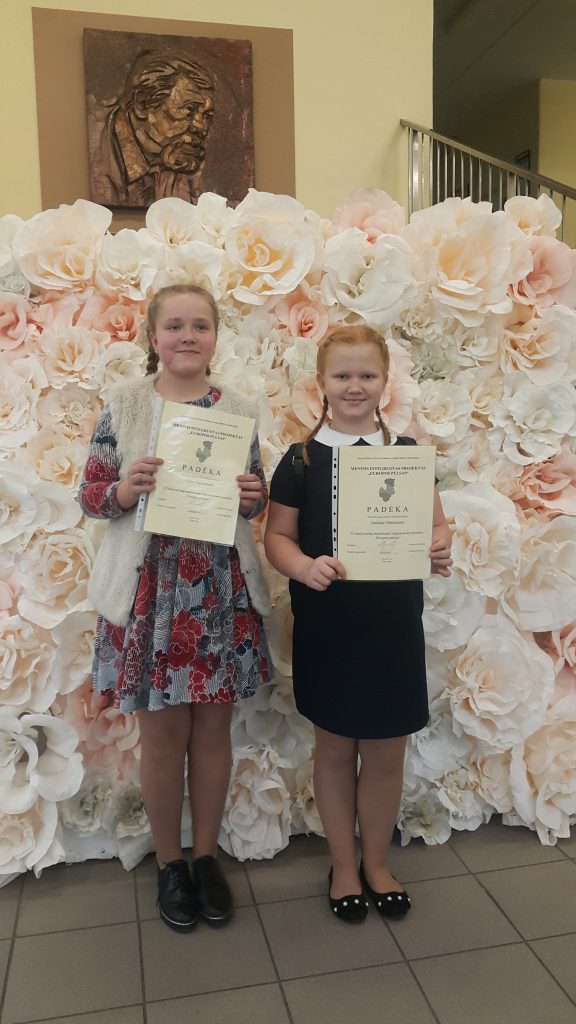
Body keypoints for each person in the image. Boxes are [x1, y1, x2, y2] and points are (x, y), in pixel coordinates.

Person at [79, 283, 270, 932]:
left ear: (215, 337)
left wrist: (251, 496)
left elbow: (256, 495)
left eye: (200, 325)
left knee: (213, 732)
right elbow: (91, 496)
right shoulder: (125, 403)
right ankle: (169, 864)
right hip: (150, 593)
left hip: (217, 589)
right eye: (174, 325)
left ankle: (206, 858)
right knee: (162, 739)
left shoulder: (238, 409)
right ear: (153, 337)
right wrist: (125, 489)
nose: (187, 336)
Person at [264, 325, 452, 924]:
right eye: (342, 375)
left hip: (392, 630)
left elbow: (436, 526)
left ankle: (377, 863)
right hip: (330, 628)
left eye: (366, 374)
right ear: (320, 382)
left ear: (384, 382)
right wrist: (303, 566)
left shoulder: (407, 455)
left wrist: (439, 546)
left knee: (387, 753)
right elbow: (277, 537)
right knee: (336, 748)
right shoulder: (300, 461)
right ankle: (342, 866)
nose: (354, 385)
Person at [91, 53, 215, 207]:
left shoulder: (182, 158)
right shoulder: (95, 160)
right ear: (142, 104)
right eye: (189, 109)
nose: (201, 127)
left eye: (207, 116)